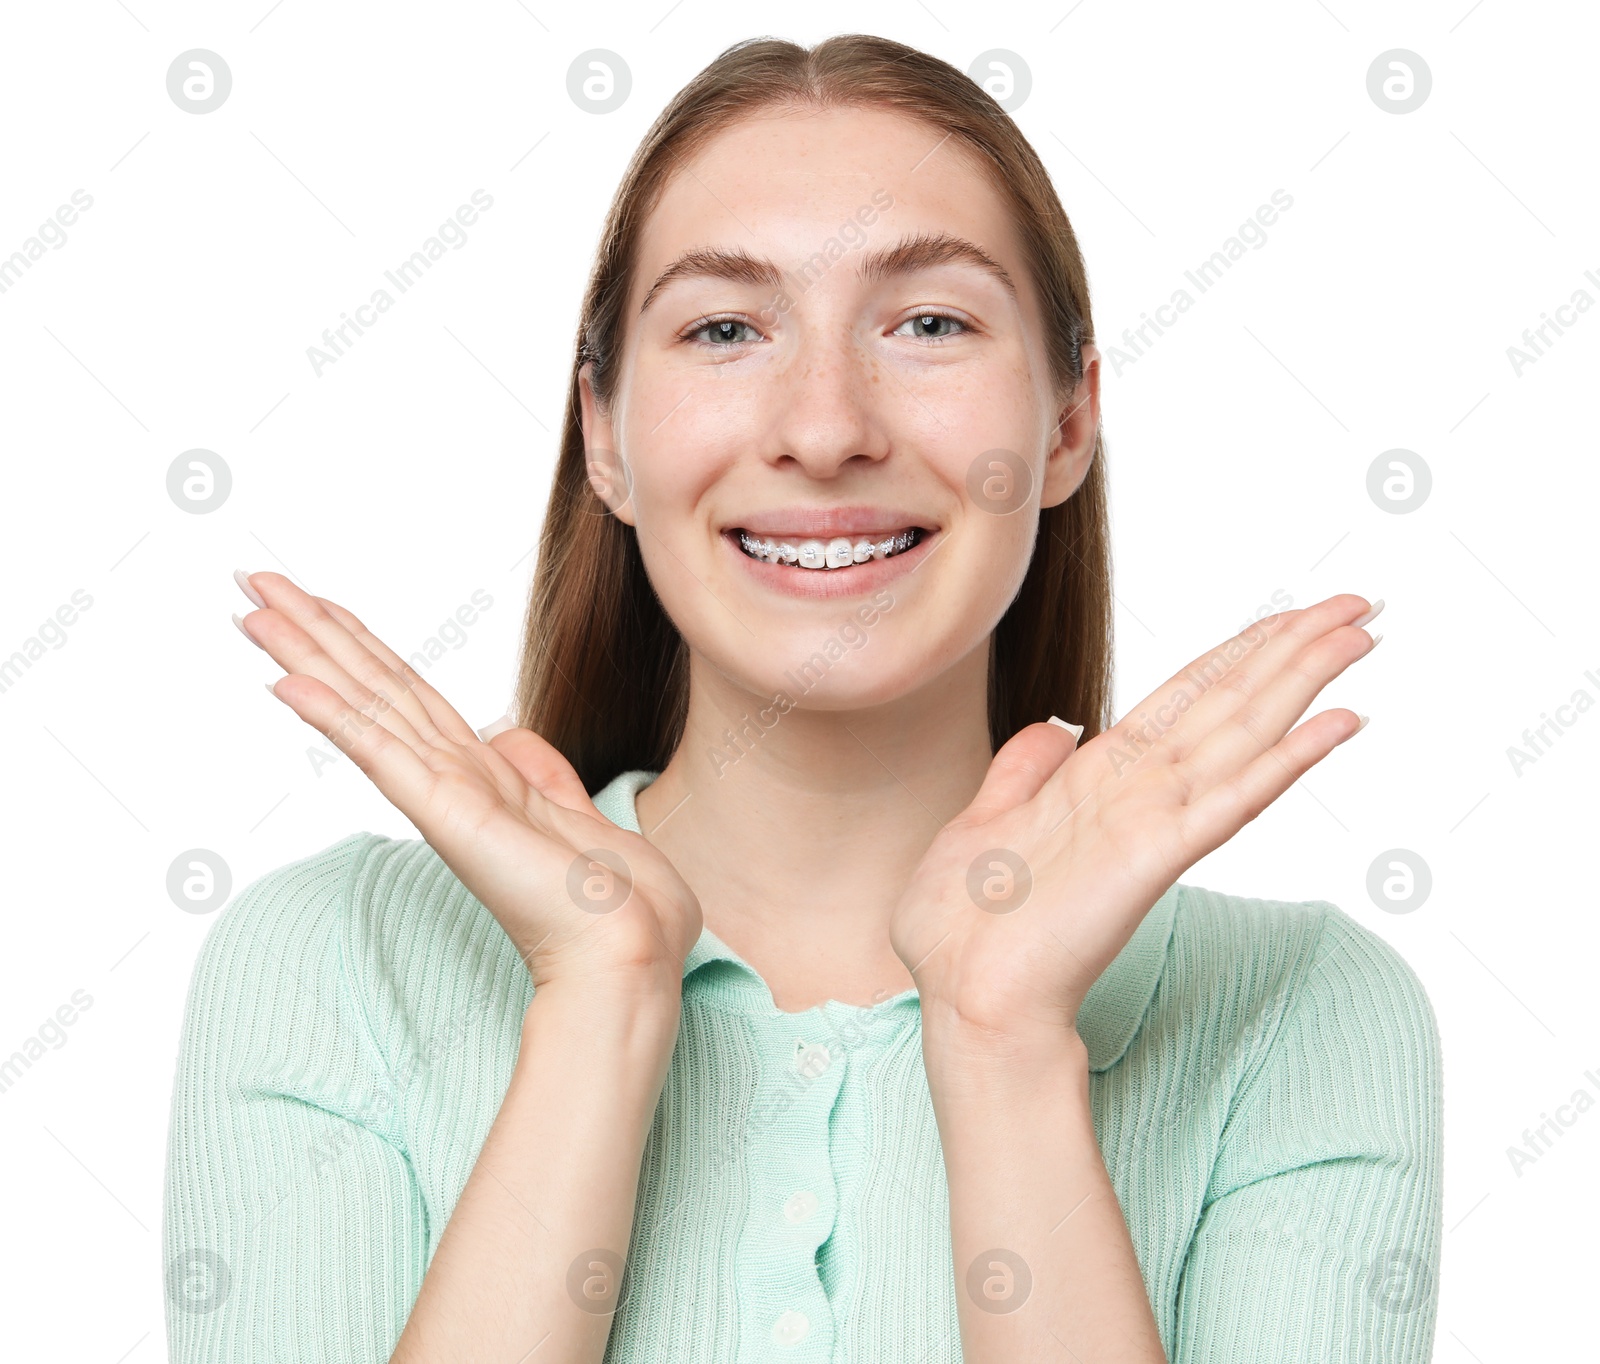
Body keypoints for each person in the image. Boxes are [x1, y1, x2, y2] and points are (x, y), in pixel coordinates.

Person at [162, 33, 1441, 1363]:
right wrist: (602, 997)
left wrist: (1003, 1044)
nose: (826, 427)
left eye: (930, 323)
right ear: (605, 436)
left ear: (1066, 425)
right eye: (725, 328)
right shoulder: (336, 964)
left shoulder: (1301, 1009)